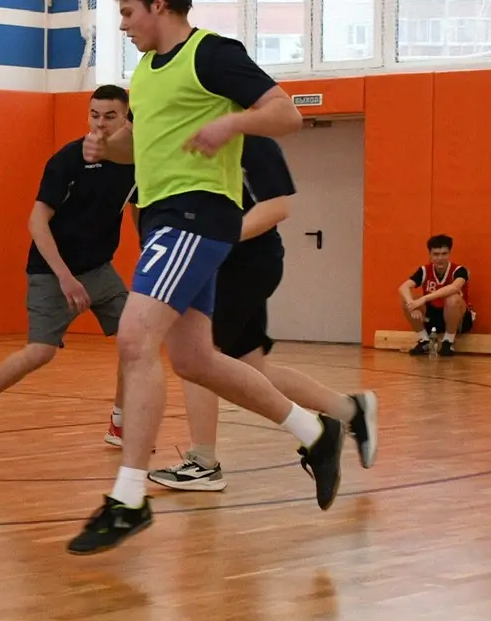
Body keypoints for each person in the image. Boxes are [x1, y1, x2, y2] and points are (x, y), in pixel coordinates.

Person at [68, 0, 346, 556]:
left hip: (196, 216)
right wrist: (106, 147)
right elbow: (141, 146)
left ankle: (128, 498)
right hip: (164, 218)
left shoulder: (211, 54)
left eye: (127, 12)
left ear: (159, 4)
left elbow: (287, 113)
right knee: (195, 360)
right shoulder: (145, 73)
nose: (123, 25)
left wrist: (232, 125)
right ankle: (315, 432)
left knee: (135, 339)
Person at [147, 134, 377, 491]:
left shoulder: (249, 140)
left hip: (244, 262)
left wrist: (218, 239)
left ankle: (203, 462)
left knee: (196, 354)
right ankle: (349, 410)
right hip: (223, 261)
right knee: (251, 369)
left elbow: (276, 209)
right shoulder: (174, 136)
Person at [0, 86, 135, 450]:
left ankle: (120, 423)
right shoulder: (67, 161)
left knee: (135, 338)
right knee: (40, 351)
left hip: (99, 270)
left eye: (110, 117)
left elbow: (137, 211)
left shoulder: (134, 164)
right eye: (94, 115)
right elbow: (36, 222)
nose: (100, 124)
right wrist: (65, 278)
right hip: (52, 272)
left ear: (126, 119)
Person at [401, 235, 473, 355]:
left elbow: (455, 287)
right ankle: (424, 341)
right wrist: (411, 305)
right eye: (436, 254)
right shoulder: (424, 270)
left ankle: (448, 342)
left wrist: (423, 299)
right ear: (430, 254)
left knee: (452, 298)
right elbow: (403, 287)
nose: (440, 258)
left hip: (458, 320)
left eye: (444, 254)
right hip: (433, 319)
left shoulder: (459, 270)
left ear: (449, 254)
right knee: (407, 299)